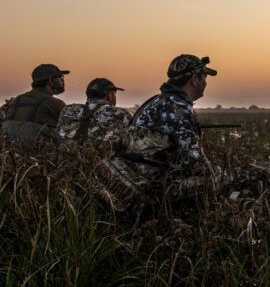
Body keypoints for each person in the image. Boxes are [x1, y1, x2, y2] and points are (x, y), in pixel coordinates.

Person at [105, 54, 220, 204]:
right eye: (204, 77)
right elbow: (195, 160)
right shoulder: (180, 108)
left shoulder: (155, 101)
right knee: (218, 176)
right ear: (194, 79)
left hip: (127, 178)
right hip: (150, 188)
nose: (205, 83)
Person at [57, 78, 131, 150]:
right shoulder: (120, 114)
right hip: (103, 161)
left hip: (66, 160)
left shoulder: (67, 110)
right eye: (114, 93)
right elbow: (133, 144)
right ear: (110, 95)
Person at [2, 64, 69, 142]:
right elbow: (69, 129)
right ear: (50, 81)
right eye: (60, 77)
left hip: (12, 149)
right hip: (39, 150)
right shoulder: (55, 103)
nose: (63, 80)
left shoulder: (17, 100)